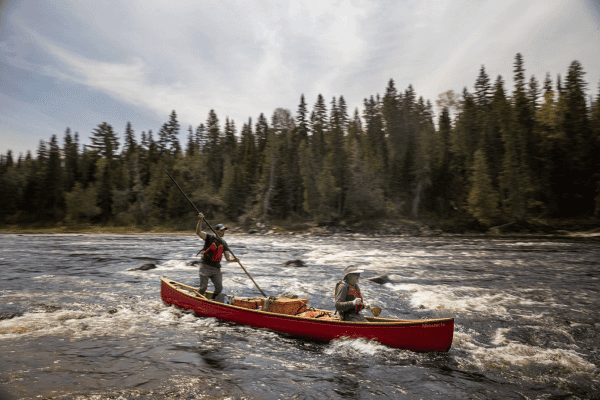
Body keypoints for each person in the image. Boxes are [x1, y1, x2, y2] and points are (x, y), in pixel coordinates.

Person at [196, 212, 238, 298]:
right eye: (221, 230)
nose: (223, 232)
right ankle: (197, 300)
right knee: (203, 288)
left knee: (219, 288)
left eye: (224, 230)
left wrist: (234, 260)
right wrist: (200, 220)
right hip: (205, 266)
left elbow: (228, 258)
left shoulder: (224, 243)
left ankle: (213, 301)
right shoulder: (208, 237)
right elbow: (198, 232)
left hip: (216, 268)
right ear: (217, 231)